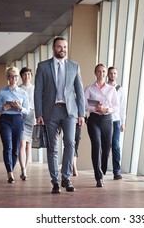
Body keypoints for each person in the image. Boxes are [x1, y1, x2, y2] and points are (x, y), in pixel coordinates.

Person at [34, 36, 85, 193]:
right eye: (59, 47)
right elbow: (38, 92)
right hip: (50, 111)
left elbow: (79, 92)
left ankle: (66, 178)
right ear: (53, 48)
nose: (62, 49)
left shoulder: (74, 66)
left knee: (70, 143)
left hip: (69, 112)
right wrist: (39, 113)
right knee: (52, 147)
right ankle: (55, 181)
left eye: (64, 47)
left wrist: (81, 113)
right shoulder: (43, 67)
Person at [0, 66, 29, 184]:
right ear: (8, 78)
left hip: (18, 120)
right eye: (11, 76)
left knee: (15, 149)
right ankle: (10, 173)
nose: (13, 78)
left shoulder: (23, 93)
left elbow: (27, 110)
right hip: (5, 120)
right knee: (7, 146)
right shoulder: (2, 91)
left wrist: (20, 108)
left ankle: (12, 168)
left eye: (15, 76)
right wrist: (3, 107)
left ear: (18, 78)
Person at [85, 64, 119, 187]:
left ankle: (102, 170)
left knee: (106, 148)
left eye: (103, 71)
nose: (101, 73)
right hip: (94, 120)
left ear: (106, 73)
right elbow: (84, 104)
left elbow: (116, 106)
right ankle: (98, 177)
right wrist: (95, 107)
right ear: (95, 73)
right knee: (96, 145)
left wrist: (106, 109)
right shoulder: (89, 89)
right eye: (99, 71)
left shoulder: (111, 89)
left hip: (107, 120)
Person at [107, 66, 127, 180]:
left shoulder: (121, 90)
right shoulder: (104, 88)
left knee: (116, 145)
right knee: (105, 146)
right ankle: (101, 170)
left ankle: (116, 172)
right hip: (105, 119)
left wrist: (123, 122)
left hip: (116, 121)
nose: (112, 75)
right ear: (108, 75)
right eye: (111, 73)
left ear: (117, 75)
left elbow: (122, 107)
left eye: (114, 73)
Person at [18, 67, 35, 181]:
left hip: (32, 115)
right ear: (21, 76)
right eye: (24, 74)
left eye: (29, 74)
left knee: (28, 145)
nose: (27, 76)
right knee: (22, 143)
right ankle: (23, 169)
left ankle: (25, 168)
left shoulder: (35, 88)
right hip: (21, 115)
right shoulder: (18, 89)